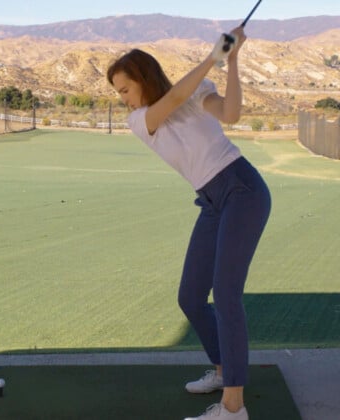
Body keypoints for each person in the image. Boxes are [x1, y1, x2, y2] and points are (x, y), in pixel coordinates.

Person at [107, 27, 271, 420]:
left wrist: (230, 60)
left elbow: (231, 114)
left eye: (125, 90)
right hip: (213, 200)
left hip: (243, 189)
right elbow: (175, 96)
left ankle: (233, 408)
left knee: (227, 294)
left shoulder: (198, 92)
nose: (122, 100)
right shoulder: (140, 119)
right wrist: (214, 55)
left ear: (143, 80)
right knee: (191, 297)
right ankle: (222, 371)